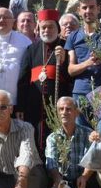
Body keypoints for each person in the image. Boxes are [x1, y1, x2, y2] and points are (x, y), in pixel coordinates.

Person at [45, 96, 101, 188]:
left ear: (76, 112)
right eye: (61, 109)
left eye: (69, 109)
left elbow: (93, 159)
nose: (64, 112)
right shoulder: (53, 137)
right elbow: (51, 163)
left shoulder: (88, 133)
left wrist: (85, 176)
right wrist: (58, 179)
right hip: (63, 181)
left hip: (82, 179)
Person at [17, 9, 70, 152]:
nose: (46, 30)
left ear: (57, 28)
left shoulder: (66, 47)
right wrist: (20, 107)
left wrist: (64, 61)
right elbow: (23, 79)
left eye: (50, 26)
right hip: (34, 105)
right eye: (43, 27)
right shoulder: (31, 49)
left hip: (58, 103)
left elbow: (71, 77)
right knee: (35, 139)